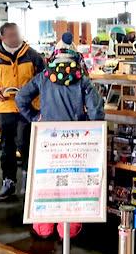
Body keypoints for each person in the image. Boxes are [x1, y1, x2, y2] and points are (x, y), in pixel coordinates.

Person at [16, 32, 105, 239]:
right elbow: (96, 111)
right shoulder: (82, 80)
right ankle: (69, 228)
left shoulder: (43, 78)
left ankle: (44, 226)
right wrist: (92, 132)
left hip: (48, 139)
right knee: (73, 183)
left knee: (47, 181)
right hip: (76, 141)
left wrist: (35, 118)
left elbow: (21, 97)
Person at [0, 22, 45, 200]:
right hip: (5, 109)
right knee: (7, 148)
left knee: (26, 145)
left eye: (16, 34)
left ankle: (28, 180)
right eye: (10, 35)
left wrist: (31, 91)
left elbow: (44, 79)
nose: (14, 38)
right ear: (2, 37)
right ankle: (8, 182)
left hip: (28, 109)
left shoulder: (32, 55)